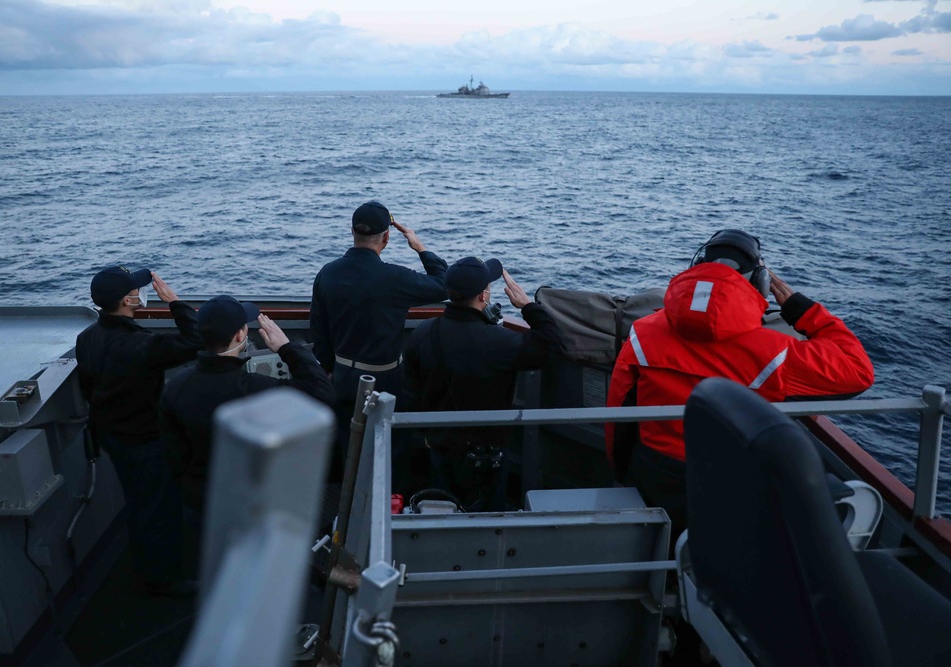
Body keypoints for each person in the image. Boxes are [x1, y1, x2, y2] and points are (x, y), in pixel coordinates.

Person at [604, 229, 875, 539]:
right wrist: (800, 308)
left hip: (655, 476)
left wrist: (622, 474)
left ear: (696, 270)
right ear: (760, 282)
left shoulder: (643, 332)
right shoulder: (776, 355)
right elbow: (858, 370)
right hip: (734, 487)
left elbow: (619, 416)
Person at [75, 266, 203, 597]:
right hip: (145, 442)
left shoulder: (86, 338)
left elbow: (87, 388)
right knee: (157, 509)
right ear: (126, 300)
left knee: (139, 503)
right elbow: (196, 340)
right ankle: (163, 581)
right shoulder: (139, 345)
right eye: (135, 289)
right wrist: (174, 302)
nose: (139, 293)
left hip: (112, 437)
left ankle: (148, 565)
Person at [403, 257, 565, 511]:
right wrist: (528, 306)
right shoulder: (500, 341)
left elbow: (411, 392)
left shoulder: (422, 333)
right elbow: (553, 346)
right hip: (487, 453)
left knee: (441, 509)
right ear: (482, 295)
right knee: (487, 515)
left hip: (439, 444)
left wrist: (427, 432)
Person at [310, 200, 448, 484]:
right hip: (387, 379)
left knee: (350, 442)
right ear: (386, 237)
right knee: (392, 448)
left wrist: (330, 368)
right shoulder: (395, 278)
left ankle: (349, 501)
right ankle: (391, 500)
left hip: (343, 375)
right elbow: (444, 285)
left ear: (352, 231)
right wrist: (420, 248)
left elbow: (319, 331)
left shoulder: (327, 273)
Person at [160, 296, 334, 514]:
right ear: (240, 335)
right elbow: (322, 393)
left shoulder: (176, 386)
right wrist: (287, 348)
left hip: (196, 500)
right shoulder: (257, 389)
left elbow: (174, 454)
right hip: (247, 501)